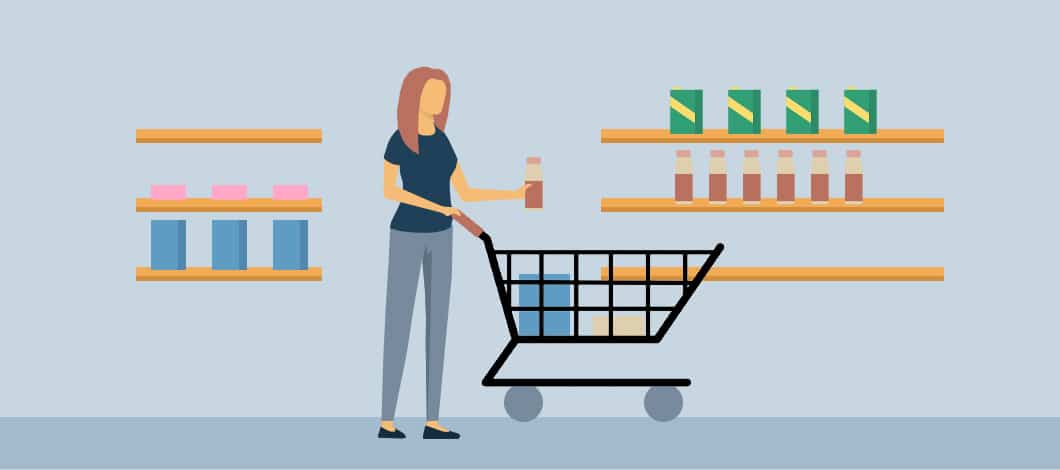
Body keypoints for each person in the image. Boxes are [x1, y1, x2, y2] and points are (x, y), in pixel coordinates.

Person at [379, 67, 527, 439]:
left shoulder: (443, 141)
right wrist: (436, 207)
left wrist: (514, 193)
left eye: (443, 93)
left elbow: (468, 191)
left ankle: (432, 420)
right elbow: (389, 191)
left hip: (442, 238)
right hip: (407, 234)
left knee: (438, 324)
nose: (439, 100)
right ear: (414, 96)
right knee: (399, 324)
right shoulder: (400, 140)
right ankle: (387, 420)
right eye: (432, 92)